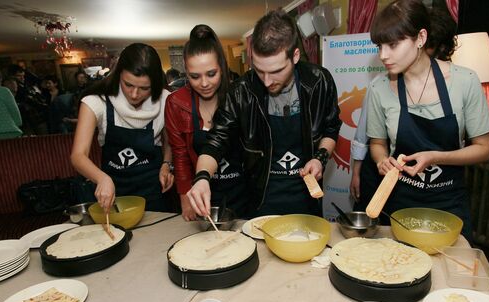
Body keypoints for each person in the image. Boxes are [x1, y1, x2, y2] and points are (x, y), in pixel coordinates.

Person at [353, 0, 489, 241]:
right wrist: (381, 161)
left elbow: (485, 148)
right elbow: (377, 143)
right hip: (400, 201)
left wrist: (436, 157)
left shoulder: (465, 82)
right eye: (379, 46)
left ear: (420, 38)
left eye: (393, 45)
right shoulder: (379, 88)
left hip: (448, 203)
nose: (383, 55)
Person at [187, 9, 342, 218]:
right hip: (260, 198)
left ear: (295, 55)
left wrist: (319, 158)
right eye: (259, 70)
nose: (267, 81)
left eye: (276, 71)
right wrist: (202, 178)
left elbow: (330, 129)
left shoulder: (319, 82)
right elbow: (217, 140)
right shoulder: (241, 91)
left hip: (307, 196)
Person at [71, 43, 174, 213]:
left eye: (144, 88)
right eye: (128, 85)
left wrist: (166, 164)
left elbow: (169, 141)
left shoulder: (166, 100)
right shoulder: (96, 102)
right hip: (113, 187)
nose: (134, 94)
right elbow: (77, 155)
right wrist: (102, 179)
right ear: (119, 75)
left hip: (152, 188)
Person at [165, 25, 248, 220]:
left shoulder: (239, 96)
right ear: (186, 71)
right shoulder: (176, 103)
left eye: (211, 74)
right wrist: (185, 197)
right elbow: (180, 154)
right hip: (202, 191)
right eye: (195, 76)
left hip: (244, 190)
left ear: (223, 66)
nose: (204, 83)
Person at [0, 70, 23, 139]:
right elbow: (14, 111)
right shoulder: (4, 91)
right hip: (9, 132)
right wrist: (17, 124)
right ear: (0, 79)